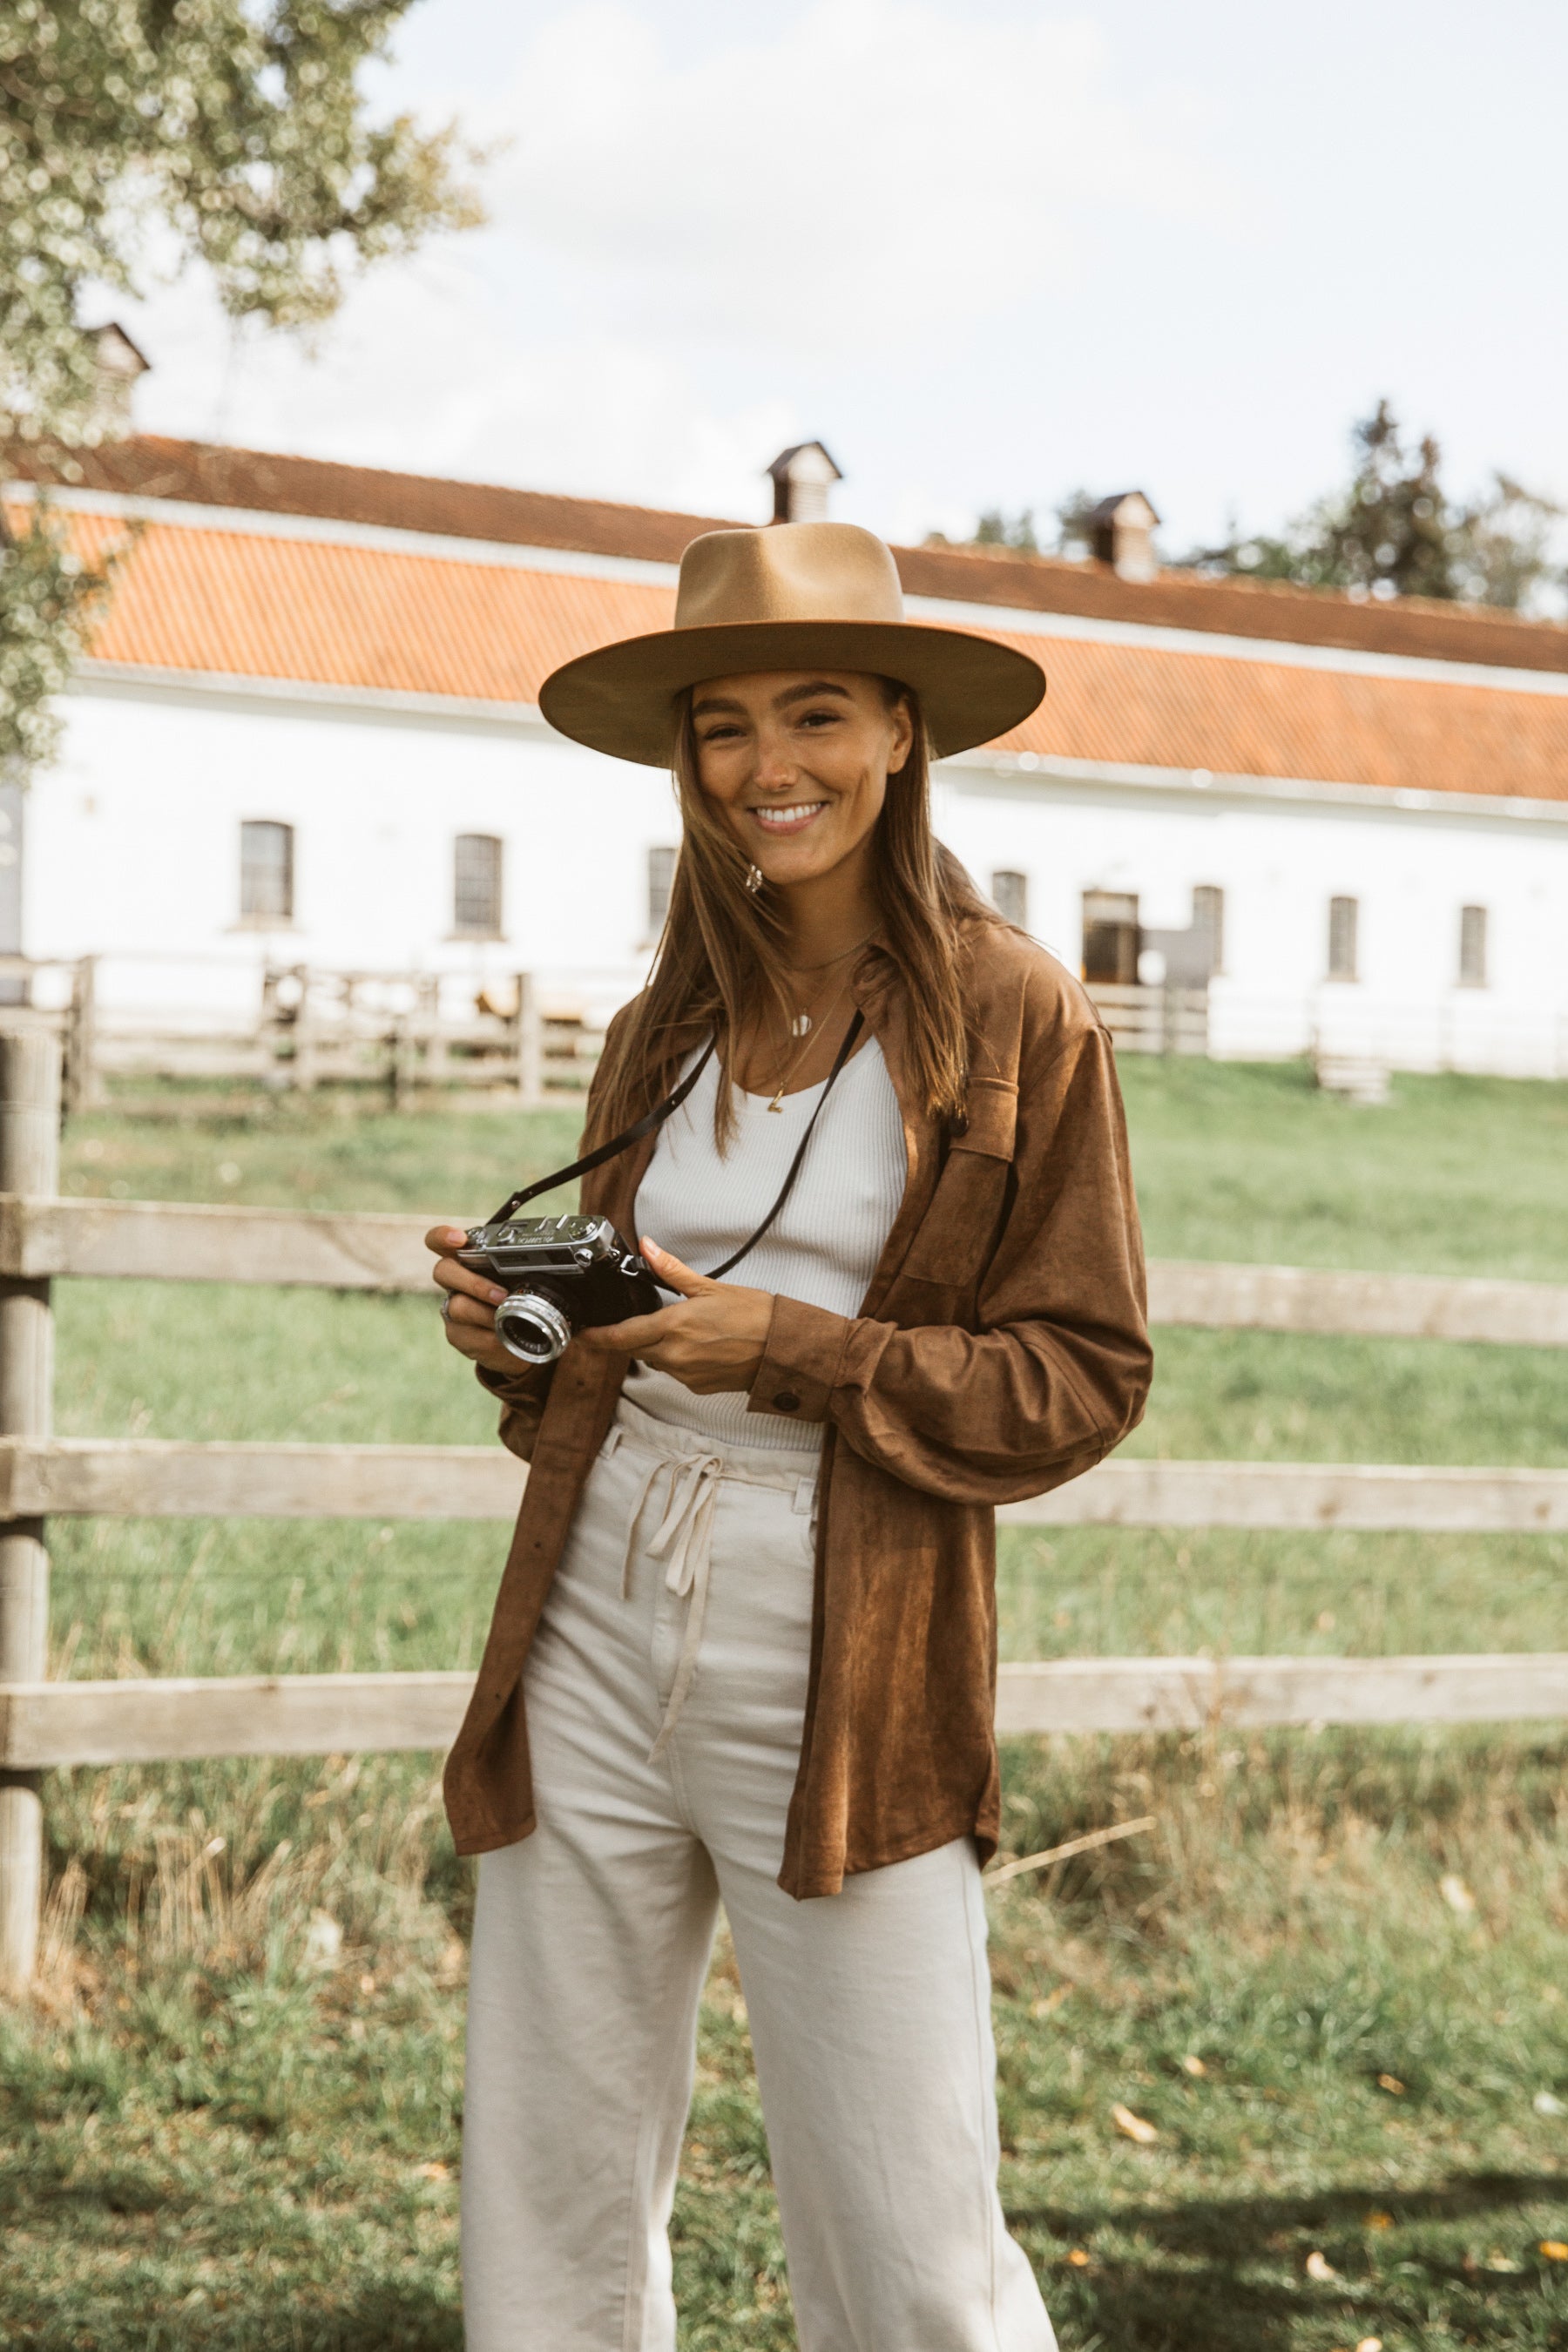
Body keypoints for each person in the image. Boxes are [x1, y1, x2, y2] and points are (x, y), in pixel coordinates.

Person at [427, 519, 1151, 2352]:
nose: (768, 767)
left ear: (900, 731)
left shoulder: (1013, 1011)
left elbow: (1078, 1373)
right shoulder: (663, 1021)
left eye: (814, 715)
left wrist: (810, 1354)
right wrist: (525, 1342)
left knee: (906, 2217)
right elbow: (620, 1343)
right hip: (596, 1599)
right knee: (555, 2178)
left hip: (852, 1630)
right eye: (725, 727)